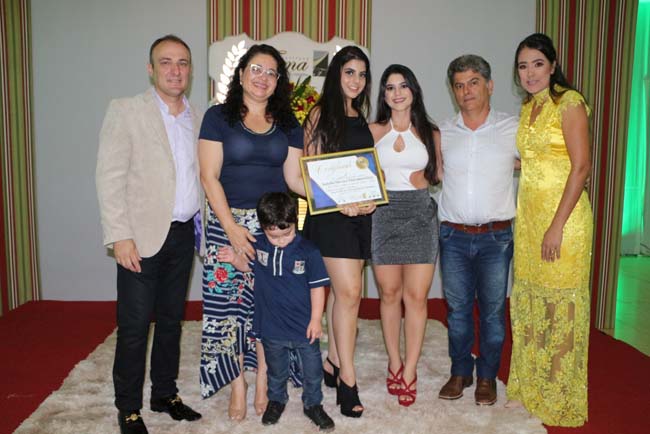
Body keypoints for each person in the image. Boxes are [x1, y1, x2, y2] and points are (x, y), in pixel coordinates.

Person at [96, 34, 202, 434]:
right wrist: (119, 235)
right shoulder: (125, 111)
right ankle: (128, 408)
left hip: (183, 235)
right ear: (150, 68)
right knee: (135, 325)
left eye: (182, 63)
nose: (175, 70)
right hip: (139, 239)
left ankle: (164, 394)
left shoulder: (198, 117)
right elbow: (109, 177)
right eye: (166, 62)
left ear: (190, 70)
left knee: (172, 321)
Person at [198, 44, 305, 421]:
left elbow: (295, 179)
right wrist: (231, 229)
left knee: (267, 306)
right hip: (225, 223)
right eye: (256, 69)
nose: (263, 77)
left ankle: (261, 379)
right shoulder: (217, 118)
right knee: (226, 307)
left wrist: (339, 194)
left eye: (272, 72)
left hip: (273, 228)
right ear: (241, 74)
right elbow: (208, 176)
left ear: (279, 82)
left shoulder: (289, 124)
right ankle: (237, 384)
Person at [506, 33, 592, 427]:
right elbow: (534, 161)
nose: (530, 73)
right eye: (523, 66)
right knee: (531, 303)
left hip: (564, 222)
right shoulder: (530, 107)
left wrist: (557, 226)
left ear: (553, 66)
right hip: (529, 221)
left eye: (537, 64)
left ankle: (557, 396)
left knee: (559, 308)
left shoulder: (569, 103)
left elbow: (581, 167)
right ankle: (531, 388)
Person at [436, 54, 519, 406]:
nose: (466, 91)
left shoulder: (513, 128)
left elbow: (541, 161)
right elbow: (428, 170)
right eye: (459, 85)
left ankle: (487, 376)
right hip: (452, 236)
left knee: (492, 313)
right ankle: (460, 372)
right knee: (456, 312)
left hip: (496, 238)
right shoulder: (443, 132)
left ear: (490, 85)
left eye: (473, 82)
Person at [217, 192, 335, 431]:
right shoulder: (258, 245)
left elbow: (317, 289)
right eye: (274, 236)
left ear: (295, 223)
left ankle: (313, 404)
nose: (281, 240)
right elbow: (248, 267)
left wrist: (316, 320)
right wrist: (234, 260)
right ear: (263, 228)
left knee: (312, 371)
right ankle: (277, 400)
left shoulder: (309, 251)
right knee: (276, 370)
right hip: (271, 326)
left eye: (286, 234)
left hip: (303, 327)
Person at [302, 45, 375, 418]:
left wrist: (370, 197)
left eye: (362, 74)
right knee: (349, 294)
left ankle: (332, 361)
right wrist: (339, 201)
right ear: (336, 75)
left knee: (344, 296)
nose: (356, 80)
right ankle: (348, 379)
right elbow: (310, 169)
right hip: (331, 217)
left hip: (359, 217)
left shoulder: (361, 118)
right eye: (349, 72)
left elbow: (364, 170)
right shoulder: (319, 114)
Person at [369, 64, 440, 407]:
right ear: (383, 95)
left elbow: (438, 174)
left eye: (403, 86)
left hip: (420, 216)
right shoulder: (372, 131)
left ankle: (410, 370)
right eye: (390, 87)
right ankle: (394, 361)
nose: (397, 93)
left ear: (413, 90)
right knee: (389, 294)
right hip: (383, 216)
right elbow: (357, 169)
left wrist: (423, 179)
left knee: (416, 297)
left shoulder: (430, 132)